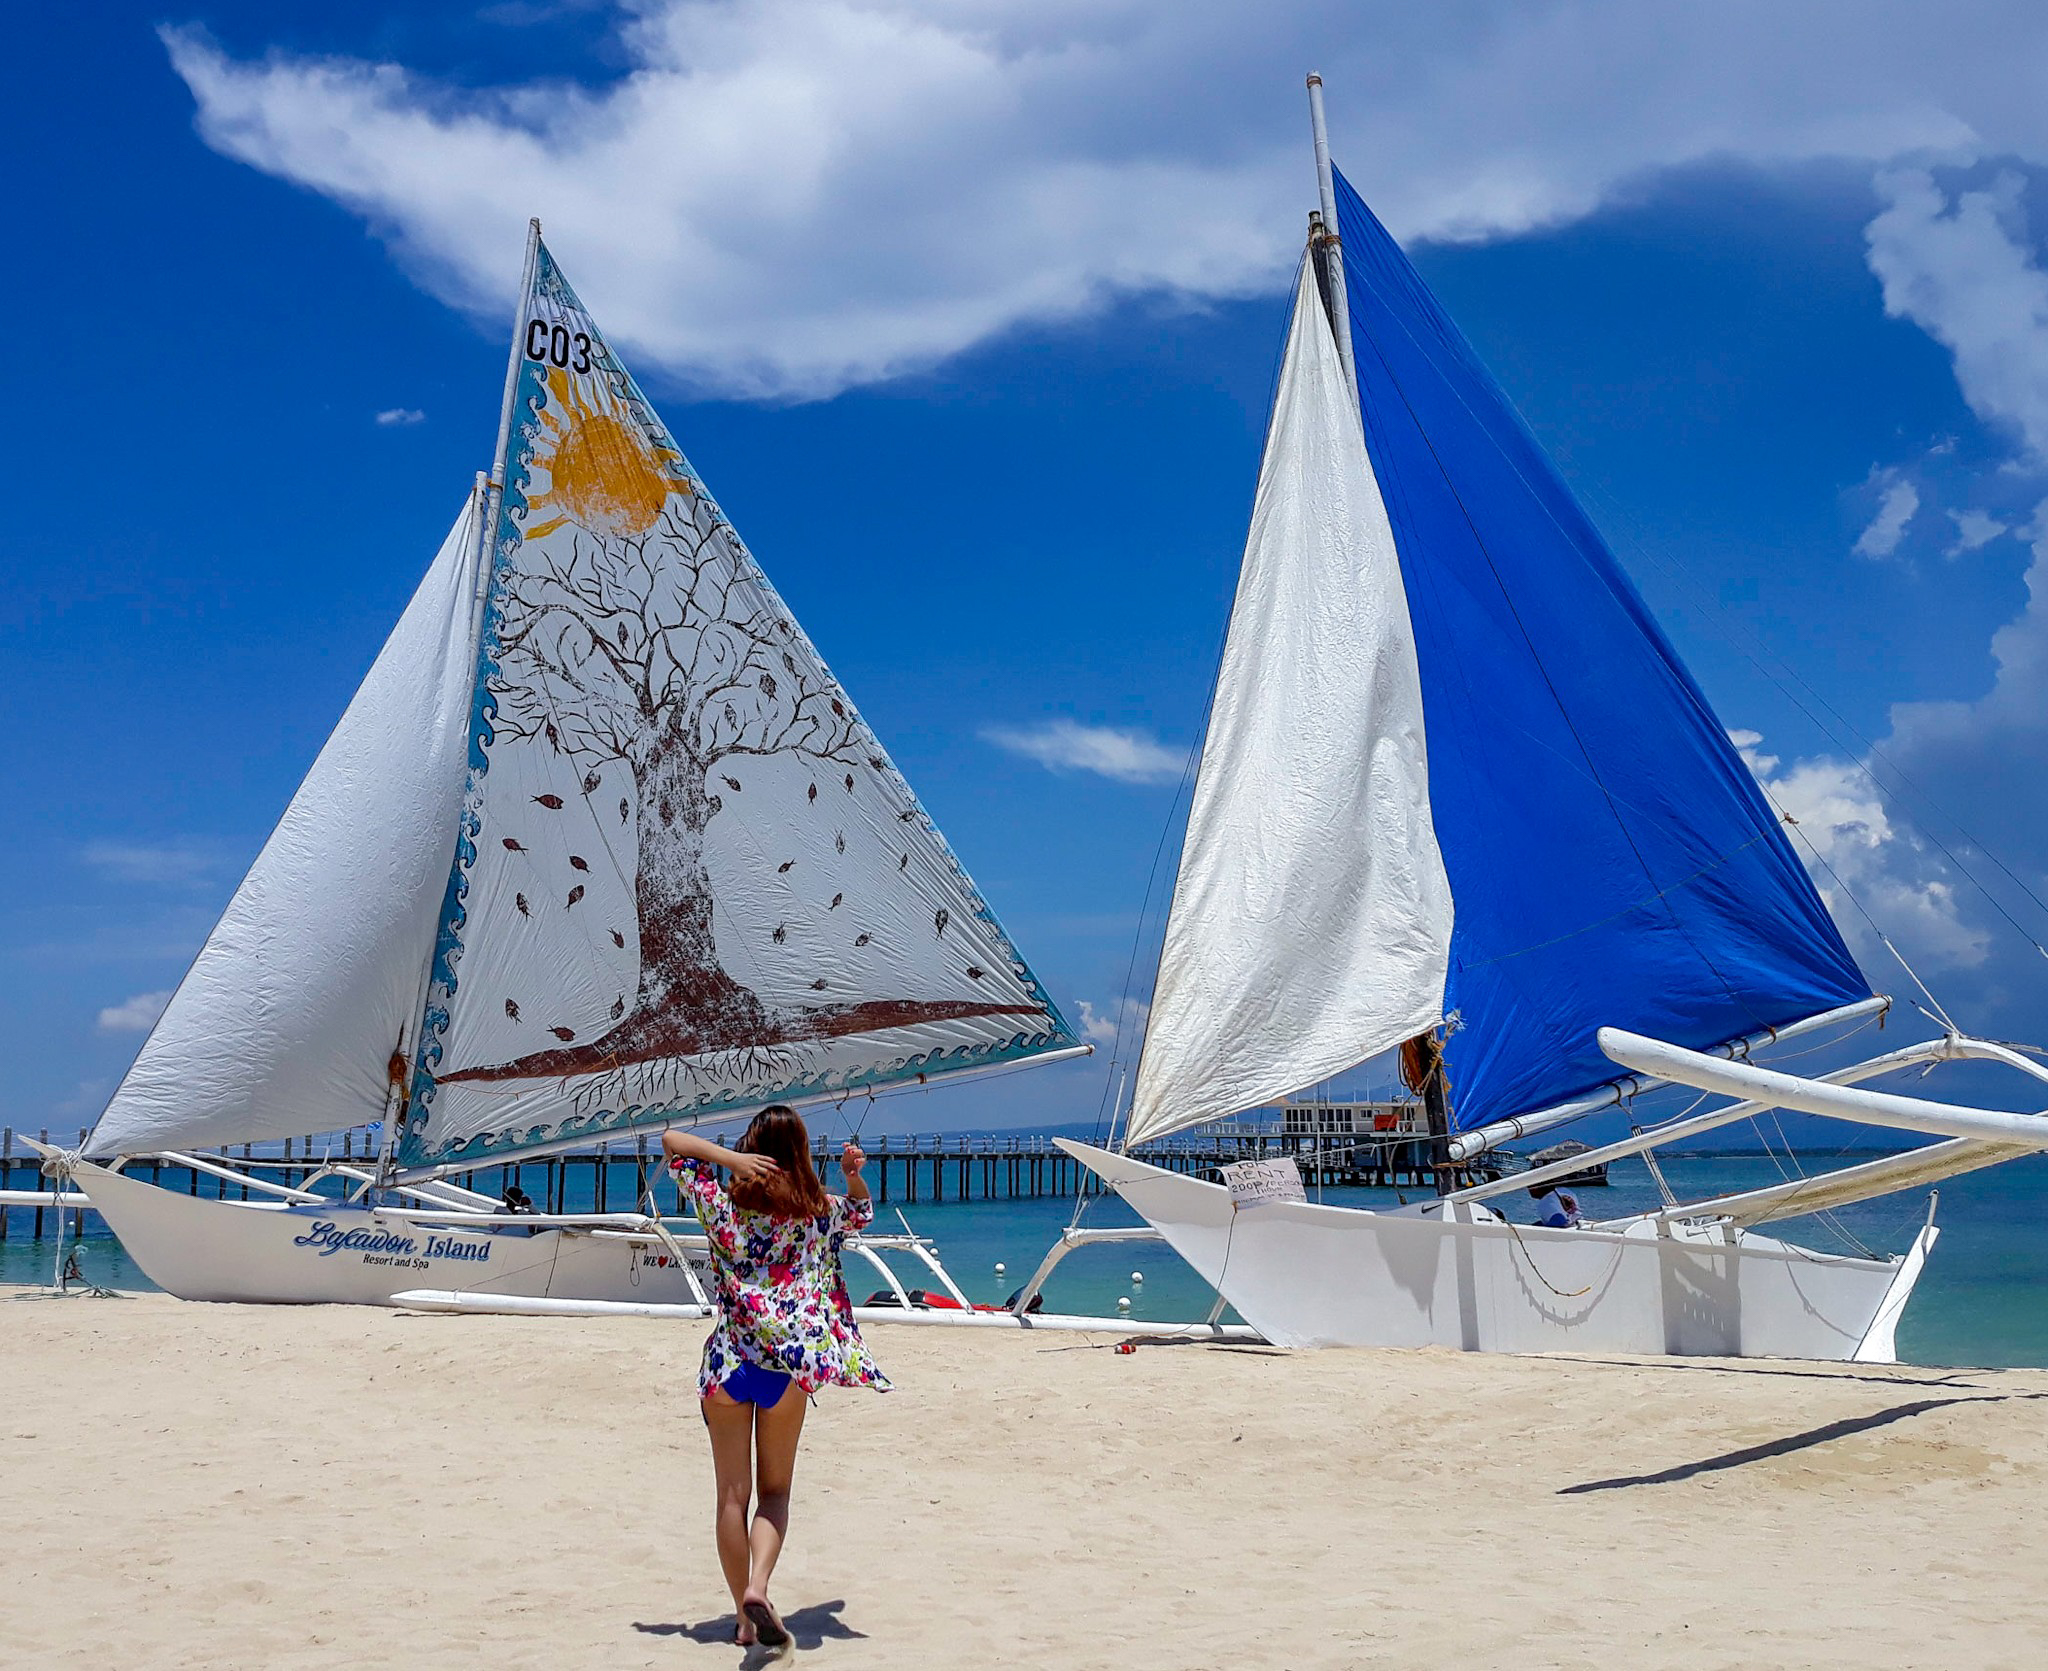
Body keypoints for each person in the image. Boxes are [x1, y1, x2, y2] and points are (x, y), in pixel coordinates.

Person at [663, 1108, 889, 1652]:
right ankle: (758, 1588)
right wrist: (853, 1175)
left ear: (752, 1148)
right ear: (800, 1153)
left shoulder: (721, 1206)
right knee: (775, 1493)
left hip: (727, 1367)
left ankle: (744, 1620)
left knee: (730, 1497)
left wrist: (729, 1160)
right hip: (785, 1371)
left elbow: (671, 1140)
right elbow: (862, 1211)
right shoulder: (816, 1212)